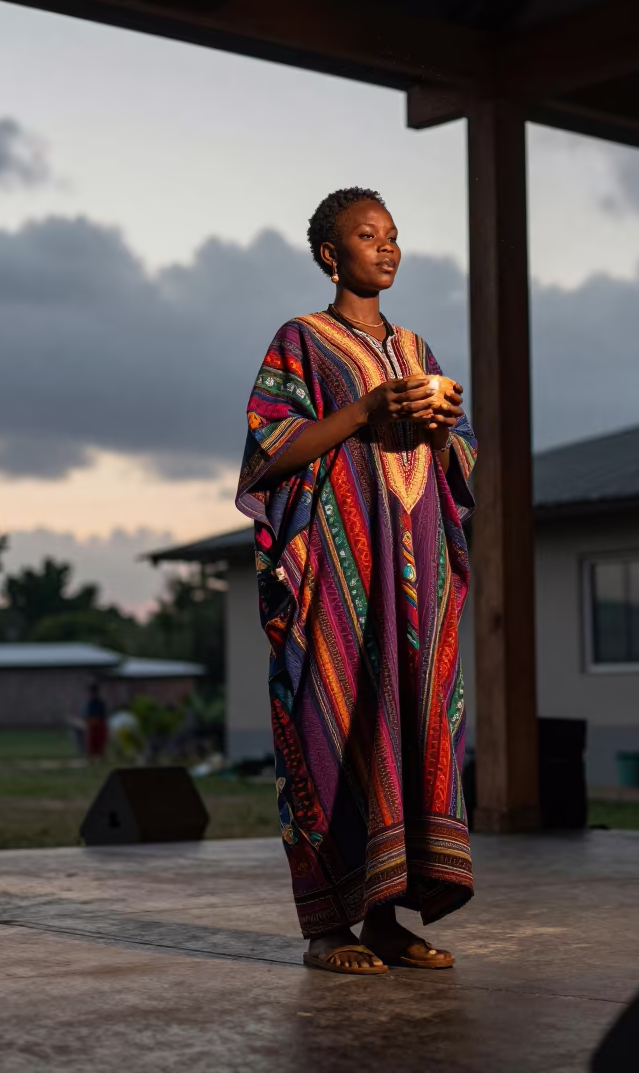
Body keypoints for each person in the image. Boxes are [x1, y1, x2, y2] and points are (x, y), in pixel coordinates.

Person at [236, 187, 477, 975]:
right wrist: (365, 410)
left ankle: (385, 919)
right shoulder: (301, 341)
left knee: (409, 726)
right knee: (333, 720)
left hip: (415, 570)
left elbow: (458, 460)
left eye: (394, 234)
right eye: (368, 235)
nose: (388, 247)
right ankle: (326, 928)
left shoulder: (418, 348)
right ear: (330, 255)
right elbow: (270, 449)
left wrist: (439, 431)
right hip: (337, 574)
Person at [84, 681, 109, 761]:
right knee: (91, 742)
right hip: (92, 724)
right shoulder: (90, 703)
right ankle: (91, 758)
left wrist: (98, 719)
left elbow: (103, 714)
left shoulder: (100, 702)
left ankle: (101, 757)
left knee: (100, 741)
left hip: (100, 723)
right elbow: (87, 714)